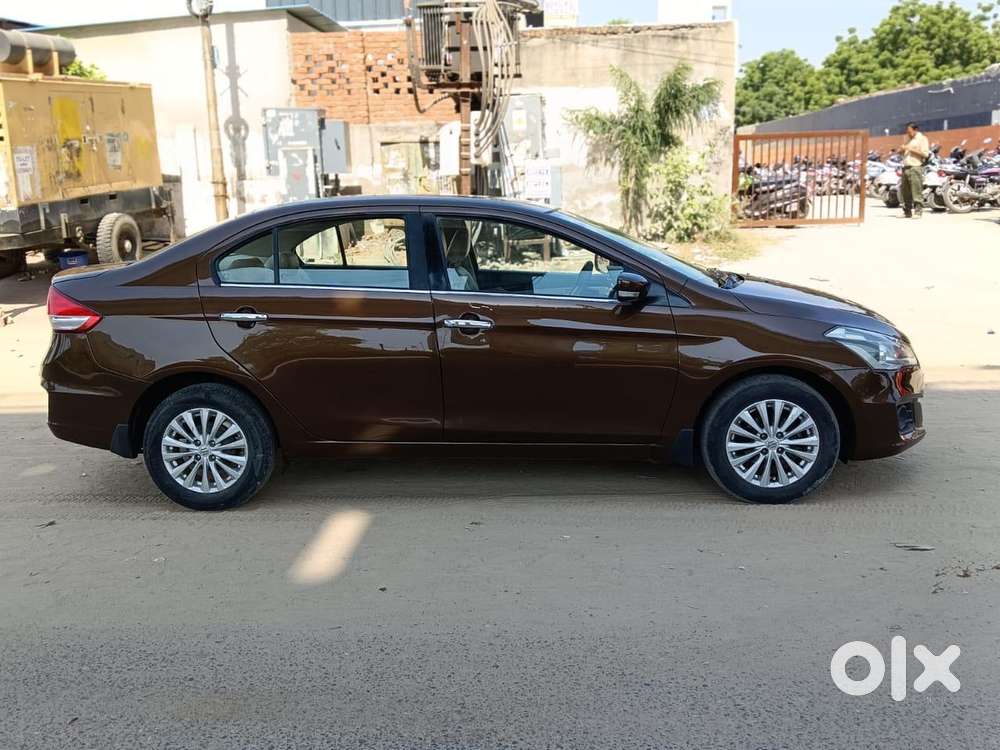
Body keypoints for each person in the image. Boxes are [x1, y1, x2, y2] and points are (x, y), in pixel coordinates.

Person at [900, 122, 930, 218]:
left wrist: (910, 149)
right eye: (907, 132)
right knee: (905, 191)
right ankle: (907, 211)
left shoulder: (922, 139)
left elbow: (925, 154)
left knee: (916, 190)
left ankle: (918, 211)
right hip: (906, 166)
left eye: (910, 131)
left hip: (915, 166)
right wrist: (902, 150)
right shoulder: (907, 138)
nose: (908, 133)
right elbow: (903, 152)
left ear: (915, 130)